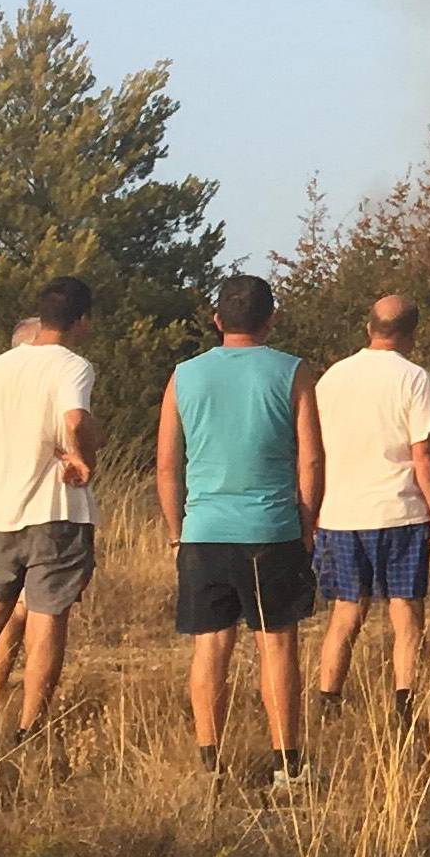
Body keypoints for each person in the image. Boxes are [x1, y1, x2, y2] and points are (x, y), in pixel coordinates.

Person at [157, 274, 322, 787]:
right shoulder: (293, 372)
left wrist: (176, 530)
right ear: (271, 319)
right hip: (271, 529)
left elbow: (167, 465)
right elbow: (311, 458)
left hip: (204, 529)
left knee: (210, 646)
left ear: (216, 319)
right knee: (277, 646)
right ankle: (287, 765)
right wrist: (308, 523)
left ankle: (210, 763)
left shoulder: (183, 375)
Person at [0, 280, 99, 743]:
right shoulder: (73, 366)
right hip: (53, 511)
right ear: (82, 322)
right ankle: (29, 726)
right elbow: (75, 419)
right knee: (46, 620)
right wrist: (83, 456)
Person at [313, 295, 430, 734]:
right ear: (412, 332)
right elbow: (423, 452)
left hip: (340, 514)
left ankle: (328, 703)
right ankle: (405, 709)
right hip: (399, 512)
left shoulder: (332, 378)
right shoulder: (416, 380)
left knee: (345, 613)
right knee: (405, 612)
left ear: (368, 326)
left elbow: (312, 449)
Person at [0, 316, 44, 718]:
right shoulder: (44, 381)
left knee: (3, 613)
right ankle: (6, 708)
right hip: (33, 513)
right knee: (24, 614)